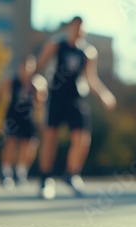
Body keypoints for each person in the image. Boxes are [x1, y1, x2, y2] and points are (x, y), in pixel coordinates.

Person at [35, 16, 116, 199]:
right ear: (70, 28)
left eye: (81, 27)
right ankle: (45, 179)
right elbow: (39, 66)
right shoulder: (56, 45)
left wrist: (104, 94)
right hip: (55, 96)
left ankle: (71, 174)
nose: (78, 29)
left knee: (82, 137)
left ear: (84, 30)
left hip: (75, 98)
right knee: (50, 136)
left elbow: (91, 78)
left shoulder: (88, 52)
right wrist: (36, 87)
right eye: (75, 26)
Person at [0, 56, 48, 189]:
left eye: (30, 67)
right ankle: (6, 172)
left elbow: (41, 102)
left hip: (29, 117)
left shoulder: (38, 82)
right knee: (10, 142)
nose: (27, 70)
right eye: (25, 66)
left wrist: (38, 92)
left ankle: (21, 171)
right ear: (20, 67)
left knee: (30, 144)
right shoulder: (12, 80)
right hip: (13, 116)